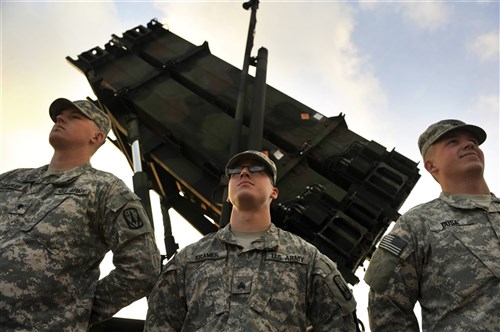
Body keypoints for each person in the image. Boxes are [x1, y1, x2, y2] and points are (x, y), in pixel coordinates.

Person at [144, 150, 358, 331]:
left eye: (257, 169)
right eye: (235, 172)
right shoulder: (188, 260)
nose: (244, 172)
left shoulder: (307, 259)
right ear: (228, 194)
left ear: (274, 192)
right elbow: (158, 324)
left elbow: (340, 324)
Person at [0, 98, 161, 331]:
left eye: (74, 117)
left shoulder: (105, 189)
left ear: (96, 137)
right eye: (60, 115)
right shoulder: (9, 181)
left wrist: (74, 310)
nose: (60, 118)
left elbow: (143, 268)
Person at [364, 119, 499, 331]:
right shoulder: (416, 223)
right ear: (431, 165)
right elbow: (386, 306)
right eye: (453, 142)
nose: (470, 145)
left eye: (473, 141)